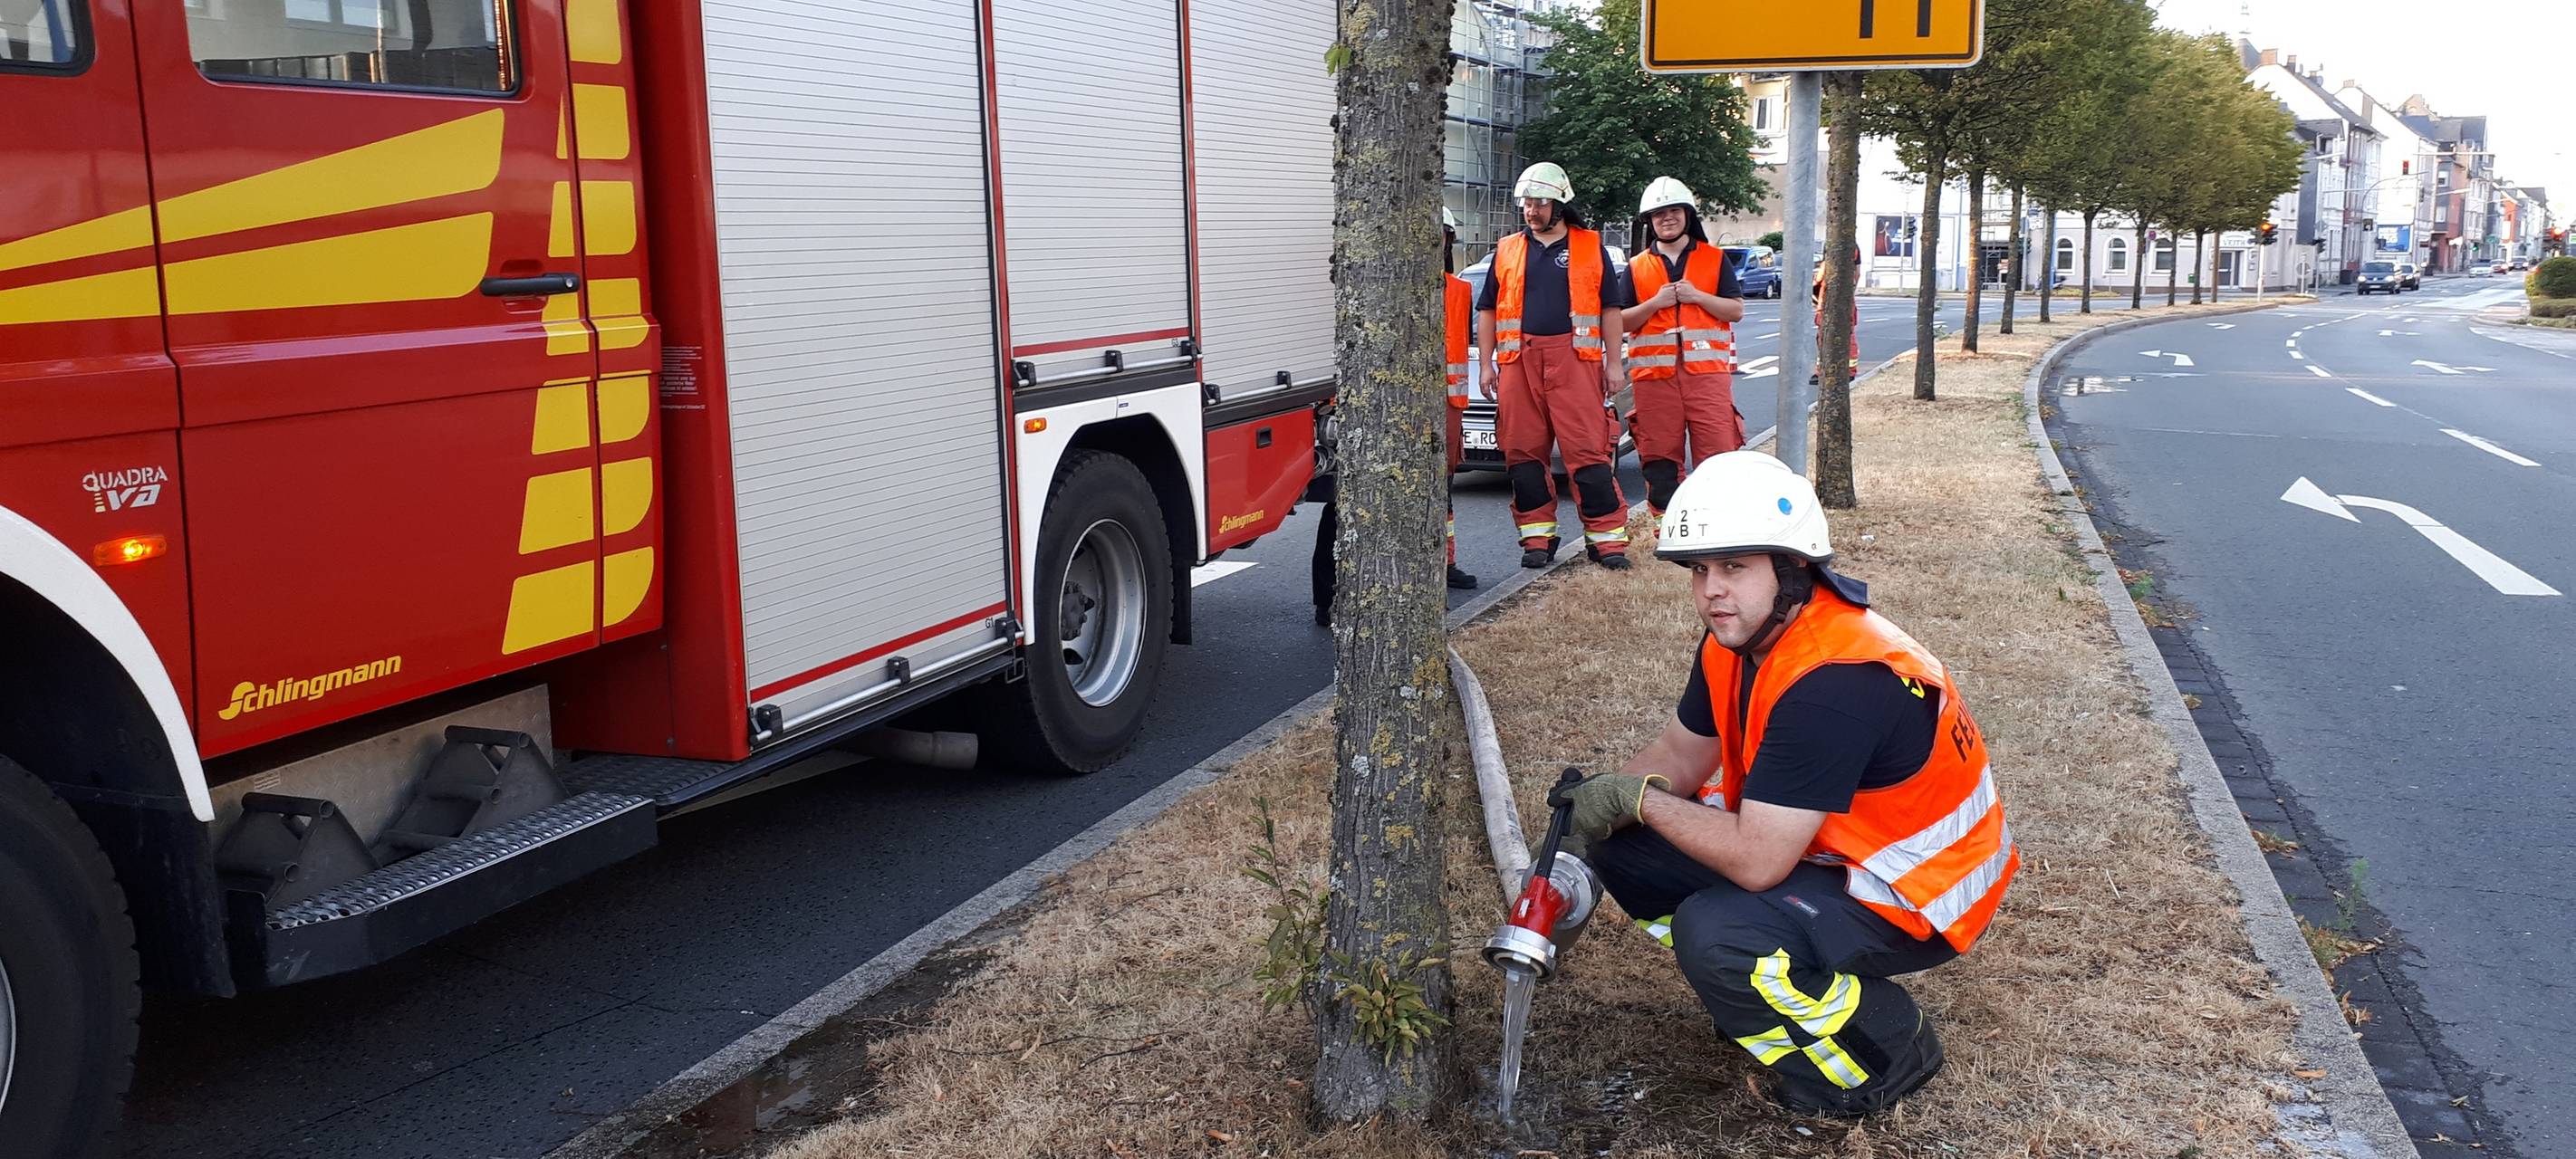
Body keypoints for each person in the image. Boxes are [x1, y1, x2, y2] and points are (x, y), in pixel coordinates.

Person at [1558, 452, 2018, 1116]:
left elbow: (1758, 861)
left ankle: (1887, 1048)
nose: (1711, 591)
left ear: (1794, 570)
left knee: (1720, 933)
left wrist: (1641, 801)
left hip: (1917, 892)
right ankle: (1769, 995)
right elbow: (1680, 753)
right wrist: (1592, 819)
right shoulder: (1739, 642)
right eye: (1700, 570)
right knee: (1625, 844)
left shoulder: (1836, 682)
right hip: (1828, 850)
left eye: (1734, 567)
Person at [1476, 161, 1634, 570]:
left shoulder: (1589, 246)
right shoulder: (1507, 249)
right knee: (1523, 454)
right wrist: (1487, 365)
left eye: (1541, 203)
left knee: (1588, 452)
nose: (1532, 211)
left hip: (1575, 361)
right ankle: (1537, 540)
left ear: (1560, 204)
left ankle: (1607, 541)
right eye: (1527, 203)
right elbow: (1488, 309)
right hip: (1518, 362)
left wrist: (1613, 363)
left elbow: (1611, 309)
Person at [1620, 177, 1745, 517]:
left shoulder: (1714, 259)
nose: (1667, 218)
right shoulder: (1636, 267)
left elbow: (1735, 311)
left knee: (1718, 454)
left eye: (1674, 210)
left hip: (1706, 377)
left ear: (1687, 214)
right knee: (1659, 459)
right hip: (1654, 380)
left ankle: (1716, 524)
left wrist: (1697, 296)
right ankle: (1667, 527)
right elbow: (1620, 321)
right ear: (1650, 221)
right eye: (1659, 213)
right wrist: (1655, 304)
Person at [1442, 208, 1480, 591]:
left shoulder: (1460, 291)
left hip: (1448, 408)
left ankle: (1446, 561)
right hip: (1412, 411)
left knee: (1445, 491)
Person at [1812, 246, 1860, 387]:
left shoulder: (1828, 264)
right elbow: (1857, 274)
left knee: (1824, 337)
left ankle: (1823, 371)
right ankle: (1848, 371)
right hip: (1845, 303)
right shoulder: (1851, 268)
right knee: (1847, 337)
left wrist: (1815, 298)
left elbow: (1817, 281)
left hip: (1826, 304)